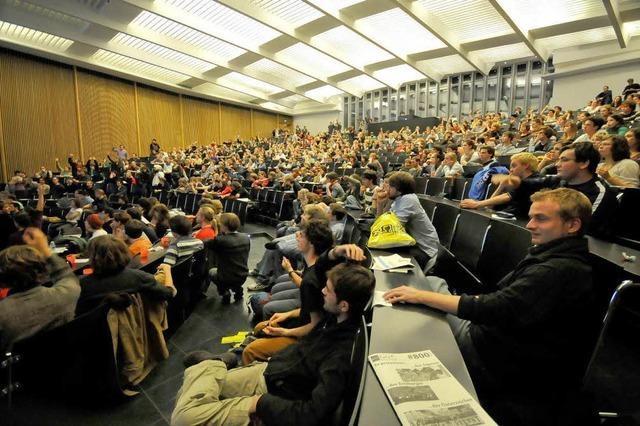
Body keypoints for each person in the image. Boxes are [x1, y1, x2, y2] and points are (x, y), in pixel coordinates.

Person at [384, 188, 597, 425]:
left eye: (541, 218)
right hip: (496, 338)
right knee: (433, 283)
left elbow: (494, 308)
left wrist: (422, 296)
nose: (529, 225)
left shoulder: (556, 270)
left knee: (429, 291)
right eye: (531, 217)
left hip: (488, 351)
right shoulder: (554, 257)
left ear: (572, 225)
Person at [171, 259, 374, 426]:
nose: (322, 291)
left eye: (328, 290)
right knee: (190, 384)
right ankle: (214, 364)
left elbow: (313, 414)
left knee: (183, 417)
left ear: (344, 305)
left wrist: (262, 404)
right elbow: (317, 270)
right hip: (270, 370)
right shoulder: (336, 317)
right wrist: (334, 253)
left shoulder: (340, 356)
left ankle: (215, 364)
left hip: (269, 394)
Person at [241, 219, 336, 365]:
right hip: (302, 324)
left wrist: (284, 332)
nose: (297, 236)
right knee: (260, 327)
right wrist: (287, 314)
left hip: (305, 338)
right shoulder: (315, 268)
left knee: (250, 351)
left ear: (311, 243)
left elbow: (315, 325)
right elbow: (311, 309)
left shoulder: (310, 281)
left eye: (302, 235)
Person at [0, 228, 80, 352]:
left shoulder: (3, 313)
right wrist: (46, 252)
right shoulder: (66, 295)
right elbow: (66, 275)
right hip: (67, 364)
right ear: (42, 271)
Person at [76, 235, 175, 314]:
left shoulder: (82, 286)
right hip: (137, 330)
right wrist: (166, 269)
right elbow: (168, 294)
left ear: (93, 257)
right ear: (124, 252)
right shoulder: (140, 277)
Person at [376, 171, 439, 269]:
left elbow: (390, 230)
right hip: (413, 245)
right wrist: (380, 204)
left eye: (390, 186)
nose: (387, 189)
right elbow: (381, 224)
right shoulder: (399, 199)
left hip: (424, 251)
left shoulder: (408, 200)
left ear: (399, 190)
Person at [460, 152, 540, 218]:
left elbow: (506, 196)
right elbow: (490, 206)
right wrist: (502, 186)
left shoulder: (535, 181)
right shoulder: (517, 182)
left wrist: (477, 204)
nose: (511, 170)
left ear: (526, 166)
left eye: (514, 166)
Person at [207, 213, 250, 304]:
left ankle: (224, 291)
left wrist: (215, 231)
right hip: (243, 275)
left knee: (211, 271)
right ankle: (238, 290)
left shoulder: (220, 240)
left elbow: (205, 243)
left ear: (224, 226)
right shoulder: (246, 237)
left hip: (225, 278)